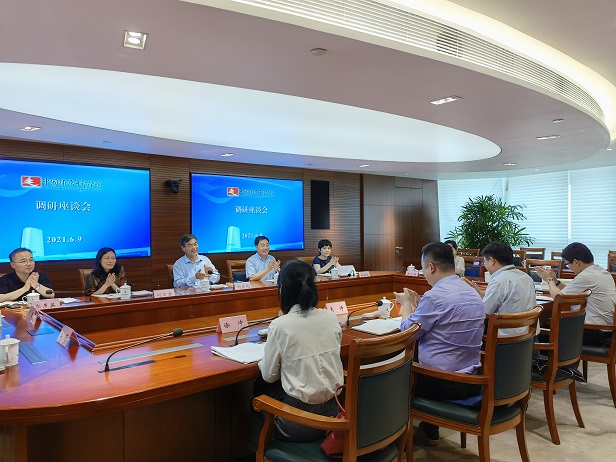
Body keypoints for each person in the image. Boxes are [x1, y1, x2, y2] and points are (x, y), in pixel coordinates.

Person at [395, 242, 484, 446]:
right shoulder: (472, 292)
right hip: (472, 379)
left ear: (431, 267)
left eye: (423, 268)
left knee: (388, 377)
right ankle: (429, 430)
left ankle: (393, 440)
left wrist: (406, 303)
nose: (423, 273)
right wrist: (420, 308)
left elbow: (407, 334)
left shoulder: (435, 296)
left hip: (444, 383)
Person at [250, 259, 343, 448]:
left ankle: (261, 453)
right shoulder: (331, 317)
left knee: (258, 391)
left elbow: (269, 376)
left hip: (299, 423)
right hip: (334, 414)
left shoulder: (280, 326)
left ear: (282, 291)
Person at [535, 242, 616, 346]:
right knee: (546, 328)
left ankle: (550, 356)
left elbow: (558, 298)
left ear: (576, 262)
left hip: (593, 332)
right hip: (605, 331)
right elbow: (570, 293)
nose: (569, 267)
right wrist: (555, 281)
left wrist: (549, 280)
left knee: (539, 333)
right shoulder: (601, 272)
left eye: (567, 264)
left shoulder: (586, 276)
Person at [462, 242, 536, 335]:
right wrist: (478, 291)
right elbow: (498, 301)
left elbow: (483, 313)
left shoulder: (499, 281)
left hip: (505, 339)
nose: (485, 265)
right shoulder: (527, 277)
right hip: (528, 336)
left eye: (485, 262)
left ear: (492, 261)